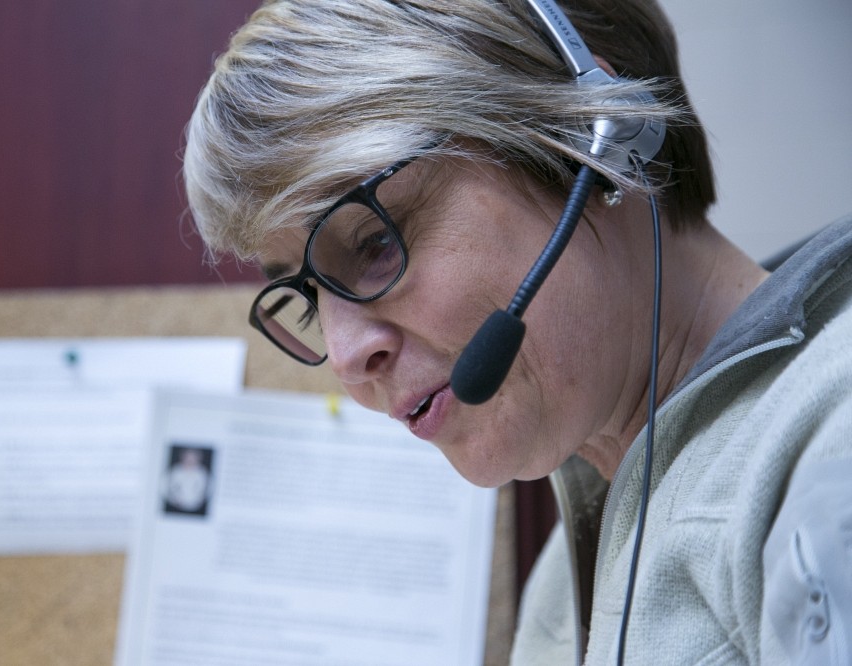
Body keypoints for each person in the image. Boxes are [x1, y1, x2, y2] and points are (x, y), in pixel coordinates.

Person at [182, 0, 852, 663]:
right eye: (307, 302)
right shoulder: (567, 579)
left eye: (372, 244)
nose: (349, 358)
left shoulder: (829, 445)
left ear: (595, 137)